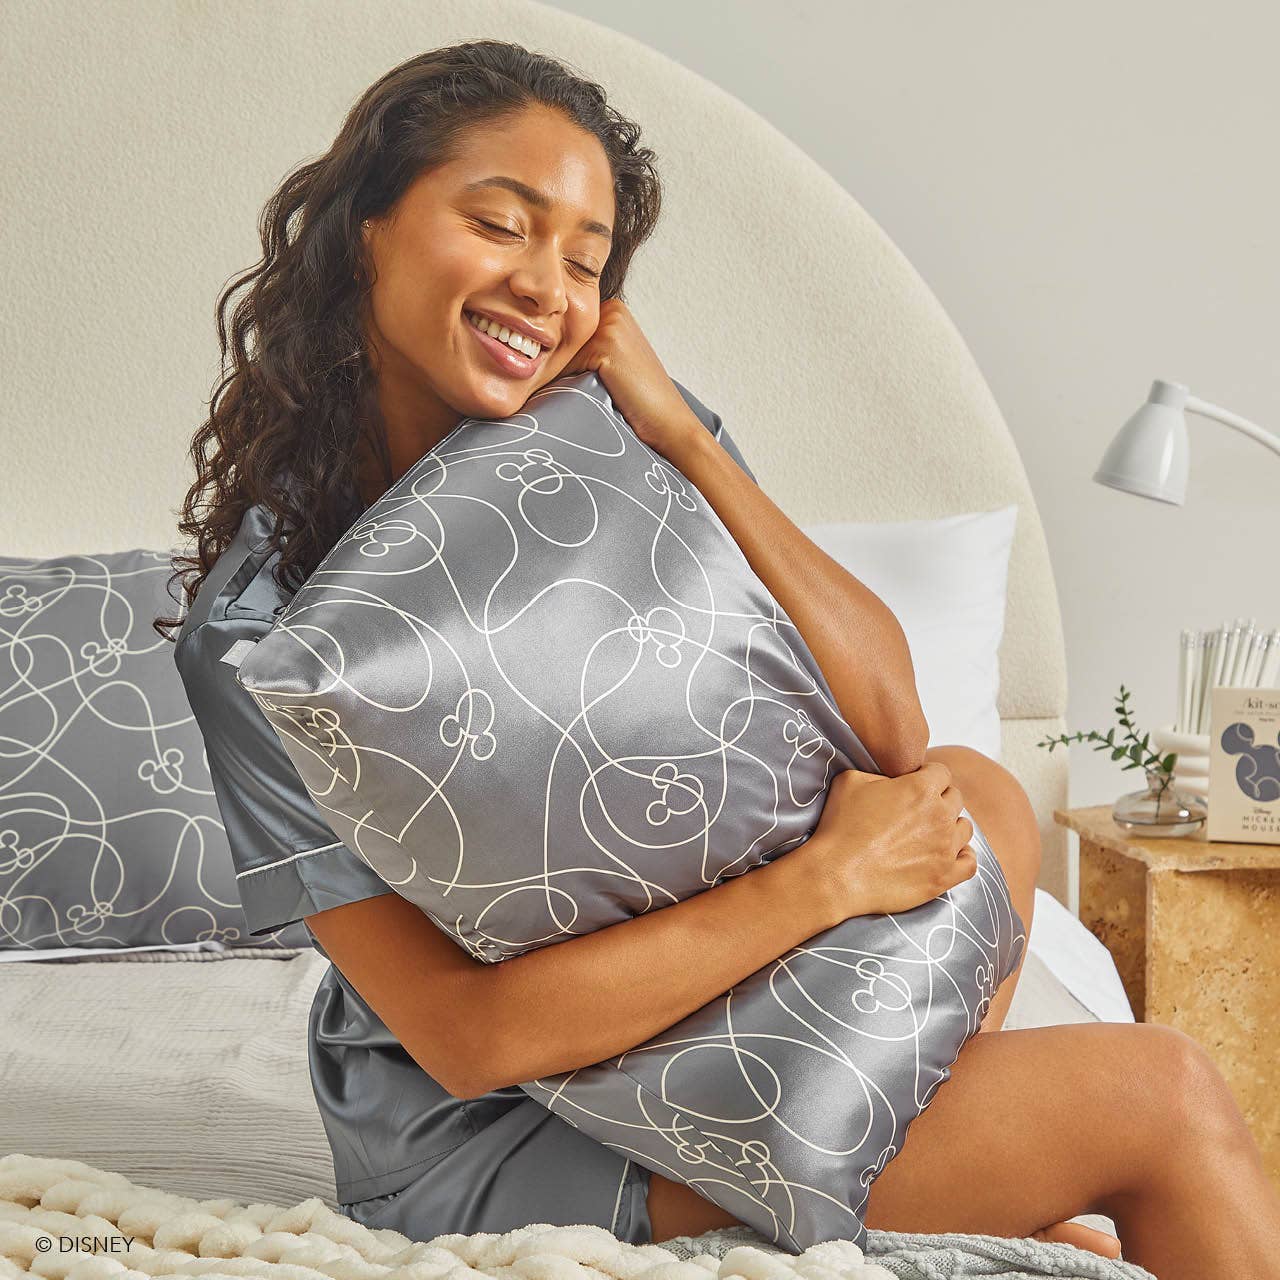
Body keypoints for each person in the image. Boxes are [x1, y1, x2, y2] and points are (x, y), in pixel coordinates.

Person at [159, 40, 1280, 1280]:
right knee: (1159, 1087)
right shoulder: (263, 633)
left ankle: (907, 1175)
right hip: (497, 1128)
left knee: (982, 790)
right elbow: (466, 1039)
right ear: (366, 230)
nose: (545, 286)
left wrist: (687, 440)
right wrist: (824, 882)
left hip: (710, 1020)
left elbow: (897, 735)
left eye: (585, 262)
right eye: (499, 224)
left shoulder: (618, 442)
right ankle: (938, 1180)